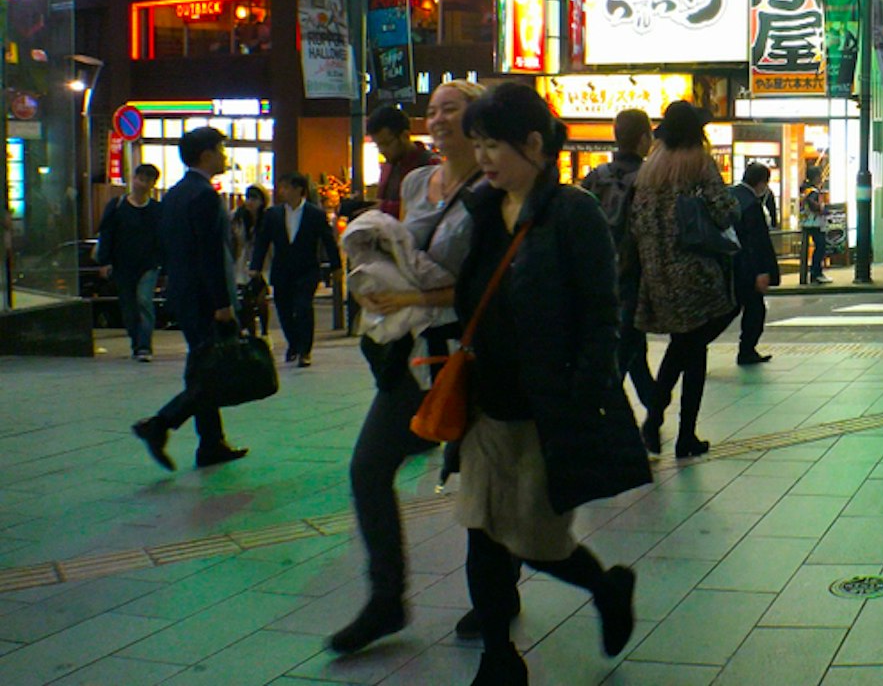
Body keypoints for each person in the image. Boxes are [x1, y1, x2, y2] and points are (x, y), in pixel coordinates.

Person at [453, 81, 638, 682]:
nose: (482, 157)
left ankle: (607, 585)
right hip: (486, 407)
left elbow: (601, 315)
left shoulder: (572, 213)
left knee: (538, 541)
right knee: (482, 537)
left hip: (544, 407)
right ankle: (499, 660)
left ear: (534, 143)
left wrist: (583, 399)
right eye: (476, 143)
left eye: (492, 145)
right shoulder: (483, 208)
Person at [325, 79, 489, 655]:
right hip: (410, 356)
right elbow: (398, 249)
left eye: (453, 109)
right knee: (368, 467)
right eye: (435, 109)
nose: (439, 118)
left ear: (478, 120)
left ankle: (496, 595)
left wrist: (415, 299)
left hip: (472, 356)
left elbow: (485, 287)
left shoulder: (493, 190)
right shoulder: (419, 180)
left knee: (481, 478)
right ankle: (387, 598)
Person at [131, 127, 249, 471]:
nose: (225, 156)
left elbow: (170, 247)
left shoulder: (175, 195)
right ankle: (159, 425)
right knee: (209, 374)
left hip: (184, 294)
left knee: (204, 368)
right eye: (220, 149)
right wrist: (223, 304)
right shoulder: (204, 197)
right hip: (205, 299)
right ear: (206, 155)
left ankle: (211, 442)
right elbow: (210, 255)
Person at [631, 100, 739, 459]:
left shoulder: (650, 167)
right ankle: (679, 432)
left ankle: (659, 422)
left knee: (686, 345)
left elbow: (639, 221)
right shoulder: (698, 163)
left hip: (657, 271)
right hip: (693, 270)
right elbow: (723, 212)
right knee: (692, 350)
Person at [581, 108, 657, 406]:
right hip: (636, 273)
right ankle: (608, 408)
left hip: (600, 272)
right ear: (643, 139)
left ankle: (653, 403)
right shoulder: (650, 178)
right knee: (627, 344)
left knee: (630, 341)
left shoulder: (595, 177)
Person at [249, 172, 341, 368]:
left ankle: (305, 350)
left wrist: (336, 266)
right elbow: (262, 242)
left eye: (287, 187)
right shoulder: (273, 214)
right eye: (282, 188)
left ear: (300, 189)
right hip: (282, 269)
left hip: (307, 269)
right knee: (283, 309)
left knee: (303, 307)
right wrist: (255, 267)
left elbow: (328, 241)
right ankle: (293, 343)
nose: (283, 192)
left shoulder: (314, 214)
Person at [96, 163, 162, 362]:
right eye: (139, 178)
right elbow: (106, 234)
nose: (141, 183)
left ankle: (144, 346)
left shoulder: (157, 210)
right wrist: (105, 261)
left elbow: (163, 238)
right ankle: (136, 342)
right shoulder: (117, 206)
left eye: (147, 180)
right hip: (122, 265)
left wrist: (163, 261)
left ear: (152, 184)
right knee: (128, 307)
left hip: (148, 265)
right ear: (133, 179)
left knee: (144, 301)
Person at [729, 162, 780, 366]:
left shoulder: (730, 195)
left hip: (729, 264)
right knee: (754, 309)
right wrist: (761, 271)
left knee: (730, 309)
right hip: (747, 268)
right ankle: (746, 350)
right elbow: (755, 242)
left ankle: (746, 350)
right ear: (761, 183)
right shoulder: (751, 204)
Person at [369, 104, 436, 218]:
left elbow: (432, 208)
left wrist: (383, 207)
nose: (382, 150)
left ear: (405, 135)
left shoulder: (430, 164)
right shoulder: (388, 166)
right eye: (378, 145)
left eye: (386, 144)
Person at [231, 185, 271, 338]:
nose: (250, 202)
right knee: (246, 301)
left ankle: (265, 332)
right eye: (248, 198)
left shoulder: (268, 218)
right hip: (242, 263)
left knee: (261, 300)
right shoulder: (237, 217)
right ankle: (251, 334)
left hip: (264, 263)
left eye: (254, 199)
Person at [800, 173, 830, 284]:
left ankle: (815, 273)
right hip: (815, 223)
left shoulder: (806, 190)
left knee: (819, 247)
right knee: (820, 247)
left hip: (807, 222)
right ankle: (816, 273)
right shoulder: (813, 191)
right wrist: (821, 208)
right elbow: (812, 203)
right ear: (816, 178)